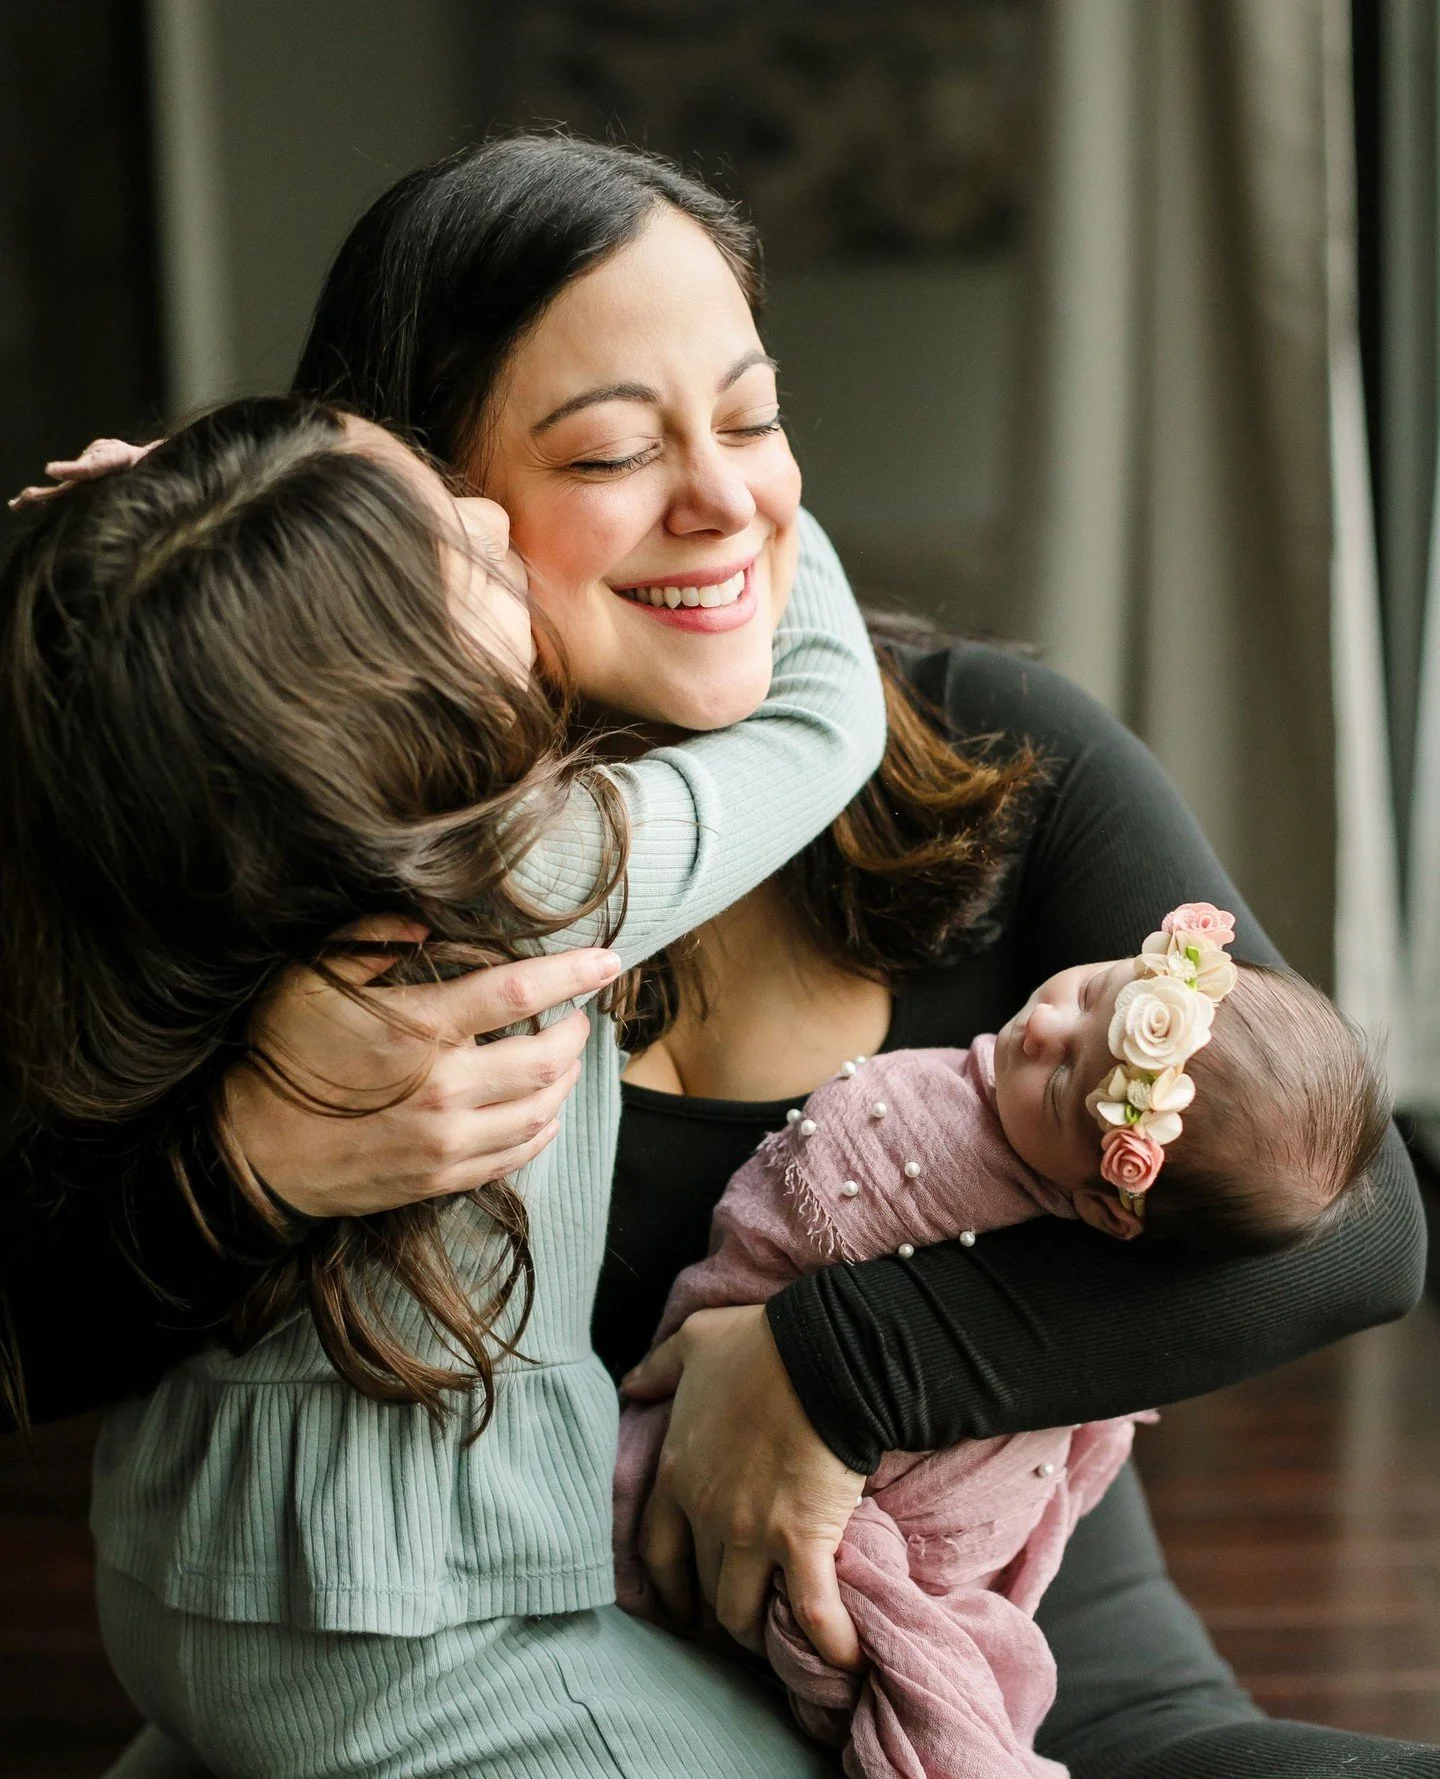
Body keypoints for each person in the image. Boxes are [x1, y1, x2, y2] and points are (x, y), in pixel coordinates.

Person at [1, 136, 1433, 1778]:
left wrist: (831, 1367)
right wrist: (250, 1165)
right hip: (518, 1697)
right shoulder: (299, 862)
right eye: (616, 447)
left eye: (753, 419)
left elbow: (1356, 1222)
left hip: (1008, 1691)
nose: (728, 498)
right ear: (417, 500)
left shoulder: (999, 749)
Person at [0, 394, 886, 1778]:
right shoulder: (525, 876)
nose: (497, 521)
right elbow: (825, 721)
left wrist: (169, 560)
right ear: (382, 691)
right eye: (466, 561)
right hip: (417, 1633)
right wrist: (757, 494)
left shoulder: (180, 863)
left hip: (174, 1576)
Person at [613, 909, 1391, 1777]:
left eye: (1065, 1088)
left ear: (1107, 1205)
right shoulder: (974, 1125)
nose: (1046, 1028)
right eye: (1095, 991)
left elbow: (1380, 1255)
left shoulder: (947, 1134)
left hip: (945, 1544)